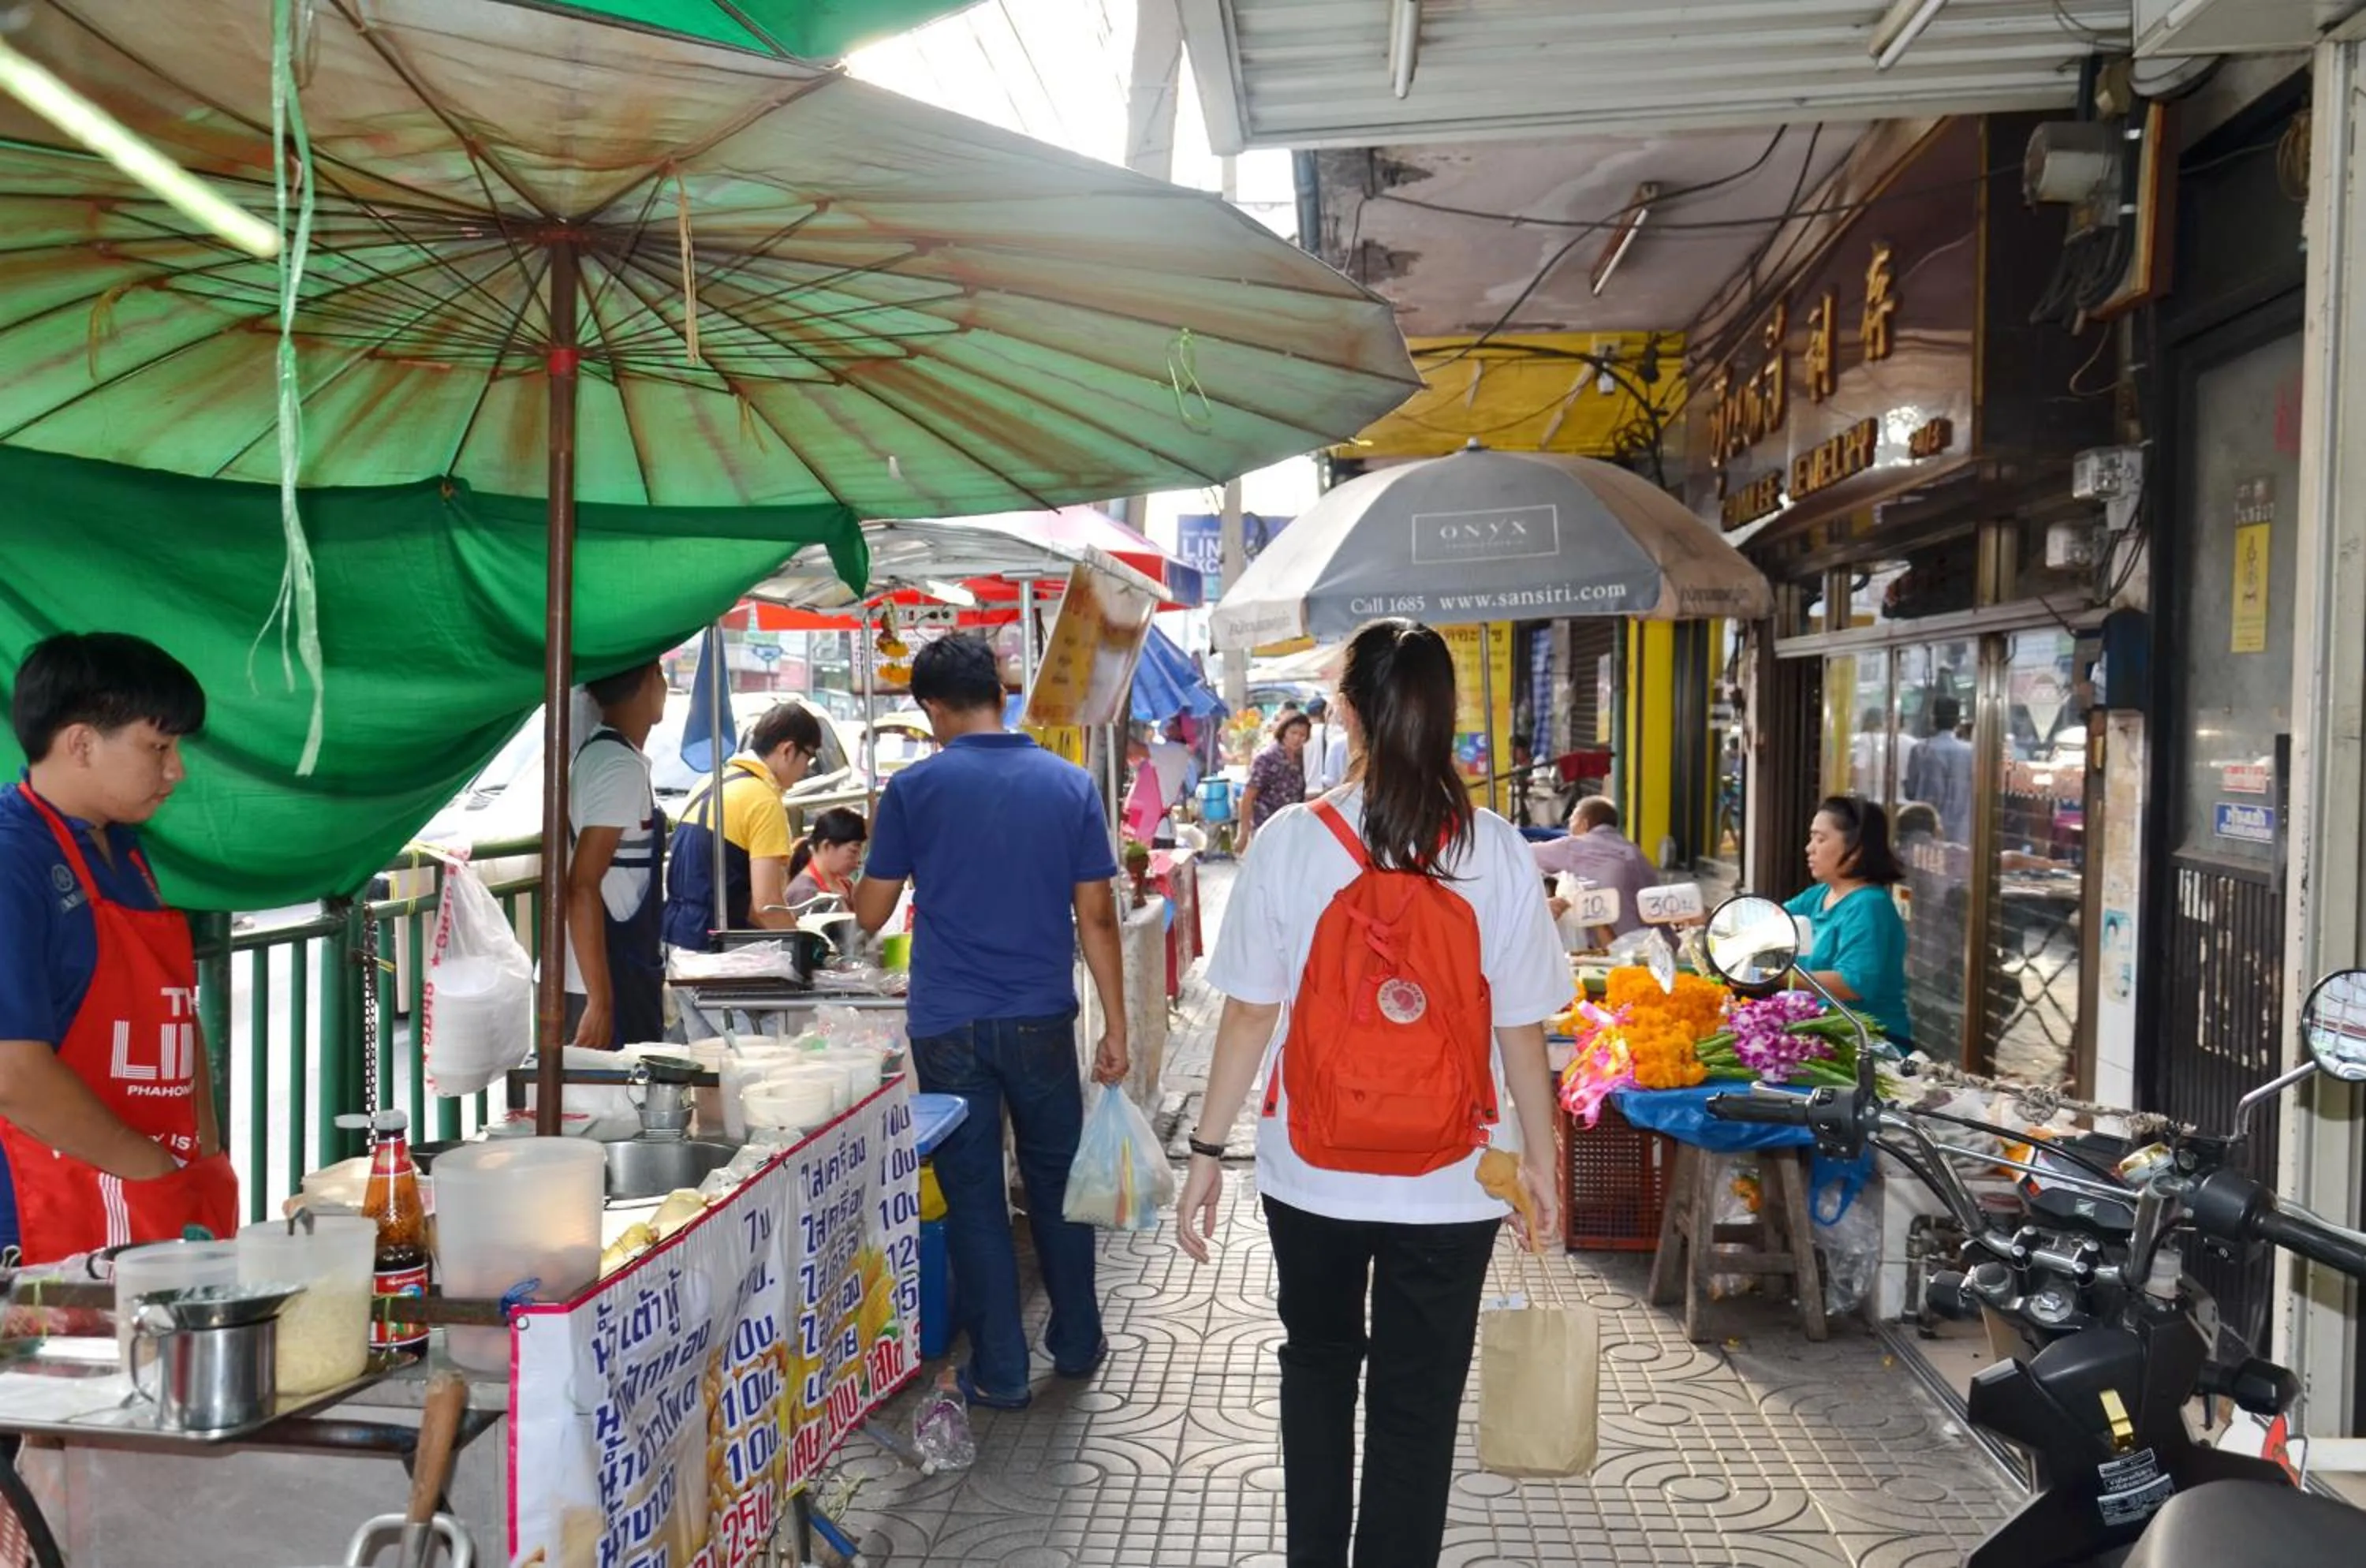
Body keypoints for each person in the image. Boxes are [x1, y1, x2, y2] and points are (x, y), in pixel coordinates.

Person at [1178, 618, 1569, 1568]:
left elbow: (1246, 1017)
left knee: (1316, 1370)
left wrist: (1205, 1153)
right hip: (1455, 1178)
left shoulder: (1288, 842)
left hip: (1309, 1170)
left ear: (1346, 713)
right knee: (1418, 1401)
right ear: (1448, 712)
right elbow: (1523, 1029)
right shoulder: (1498, 849)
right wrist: (1544, 1166)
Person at [850, 633, 1128, 1410]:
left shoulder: (915, 787)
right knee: (1057, 1182)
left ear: (935, 707)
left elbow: (871, 915)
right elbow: (1098, 916)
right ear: (999, 695)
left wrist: (849, 882)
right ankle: (1076, 1339)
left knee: (973, 1192)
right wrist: (1117, 1026)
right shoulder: (1070, 783)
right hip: (1041, 1016)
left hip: (948, 1024)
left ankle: (1000, 1369)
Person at [0, 633, 238, 1261]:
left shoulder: (123, 845)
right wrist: (152, 1167)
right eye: (158, 746)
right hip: (41, 1209)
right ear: (81, 743)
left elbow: (172, 1009)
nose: (176, 770)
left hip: (151, 1178)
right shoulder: (12, 859)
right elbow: (12, 1072)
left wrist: (206, 1156)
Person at [660, 701, 825, 951]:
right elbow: (767, 905)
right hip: (716, 949)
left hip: (675, 937)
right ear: (788, 750)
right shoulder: (763, 800)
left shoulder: (712, 781)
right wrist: (806, 951)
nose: (806, 770)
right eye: (809, 757)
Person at [565, 661, 670, 1050]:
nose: (666, 684)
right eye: (660, 673)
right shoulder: (617, 765)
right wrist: (601, 1002)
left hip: (616, 971)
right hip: (603, 979)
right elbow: (582, 884)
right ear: (646, 679)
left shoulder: (613, 755)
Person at [1784, 795, 1913, 1044]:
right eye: (1812, 838)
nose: (1809, 848)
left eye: (1821, 839)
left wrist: (1779, 975)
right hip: (1823, 1034)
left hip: (1869, 1043)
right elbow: (1770, 920)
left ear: (1856, 851)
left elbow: (1854, 983)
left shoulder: (1869, 905)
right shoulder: (1818, 895)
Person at [1531, 796, 1659, 939]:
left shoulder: (1577, 847)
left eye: (1572, 821)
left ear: (1584, 824)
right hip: (1654, 939)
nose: (1569, 829)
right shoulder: (1635, 852)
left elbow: (1523, 854)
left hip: (1616, 943)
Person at [1904, 695, 1976, 844]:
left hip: (1928, 832)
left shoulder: (1921, 750)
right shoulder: (1972, 752)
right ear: (1957, 720)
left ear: (1933, 719)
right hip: (1963, 833)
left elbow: (1911, 791)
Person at [1237, 710, 1312, 851]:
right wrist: (1243, 833)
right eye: (1293, 733)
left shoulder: (1299, 758)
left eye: (1302, 735)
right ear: (1284, 732)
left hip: (1291, 828)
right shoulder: (1267, 758)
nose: (1297, 739)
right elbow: (1248, 796)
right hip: (1267, 827)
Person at [784, 808, 868, 907]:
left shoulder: (846, 884)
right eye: (853, 852)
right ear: (827, 846)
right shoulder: (805, 894)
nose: (858, 861)